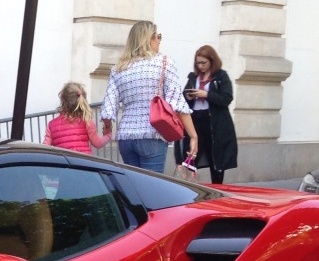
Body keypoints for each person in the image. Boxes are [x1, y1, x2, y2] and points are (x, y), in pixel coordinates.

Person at [99, 20, 198, 172]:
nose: (159, 41)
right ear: (149, 39)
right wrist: (193, 136)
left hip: (126, 138)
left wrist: (107, 127)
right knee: (152, 188)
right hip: (153, 134)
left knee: (134, 188)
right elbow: (177, 104)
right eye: (158, 37)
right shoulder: (164, 62)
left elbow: (107, 109)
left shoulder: (119, 68)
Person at [182, 44, 237, 183]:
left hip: (214, 122)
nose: (200, 66)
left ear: (212, 60)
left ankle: (217, 187)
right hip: (195, 120)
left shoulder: (221, 76)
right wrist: (189, 96)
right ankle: (189, 186)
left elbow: (226, 98)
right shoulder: (194, 77)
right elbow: (183, 96)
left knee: (216, 158)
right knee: (192, 154)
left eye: (203, 63)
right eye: (198, 62)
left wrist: (207, 94)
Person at [43, 82, 104, 153]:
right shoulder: (86, 120)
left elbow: (45, 148)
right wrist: (108, 134)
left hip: (63, 162)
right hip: (83, 162)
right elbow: (97, 143)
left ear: (63, 101)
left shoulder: (51, 125)